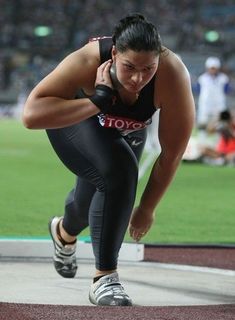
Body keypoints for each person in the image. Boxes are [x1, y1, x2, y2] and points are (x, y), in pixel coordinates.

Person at [22, 13, 195, 306]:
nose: (138, 79)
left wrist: (147, 208)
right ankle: (105, 279)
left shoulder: (172, 74)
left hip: (125, 131)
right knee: (122, 171)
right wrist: (97, 100)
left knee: (88, 202)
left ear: (159, 62)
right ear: (114, 54)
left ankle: (63, 232)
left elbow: (172, 152)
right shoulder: (88, 60)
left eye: (148, 69)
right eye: (129, 67)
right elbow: (31, 115)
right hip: (77, 118)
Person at [196, 56, 230, 131]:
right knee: (203, 122)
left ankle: (220, 139)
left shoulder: (224, 78)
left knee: (221, 123)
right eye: (211, 68)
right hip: (206, 104)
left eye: (214, 68)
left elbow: (227, 90)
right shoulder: (202, 78)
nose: (212, 70)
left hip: (219, 104)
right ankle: (202, 138)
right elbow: (198, 90)